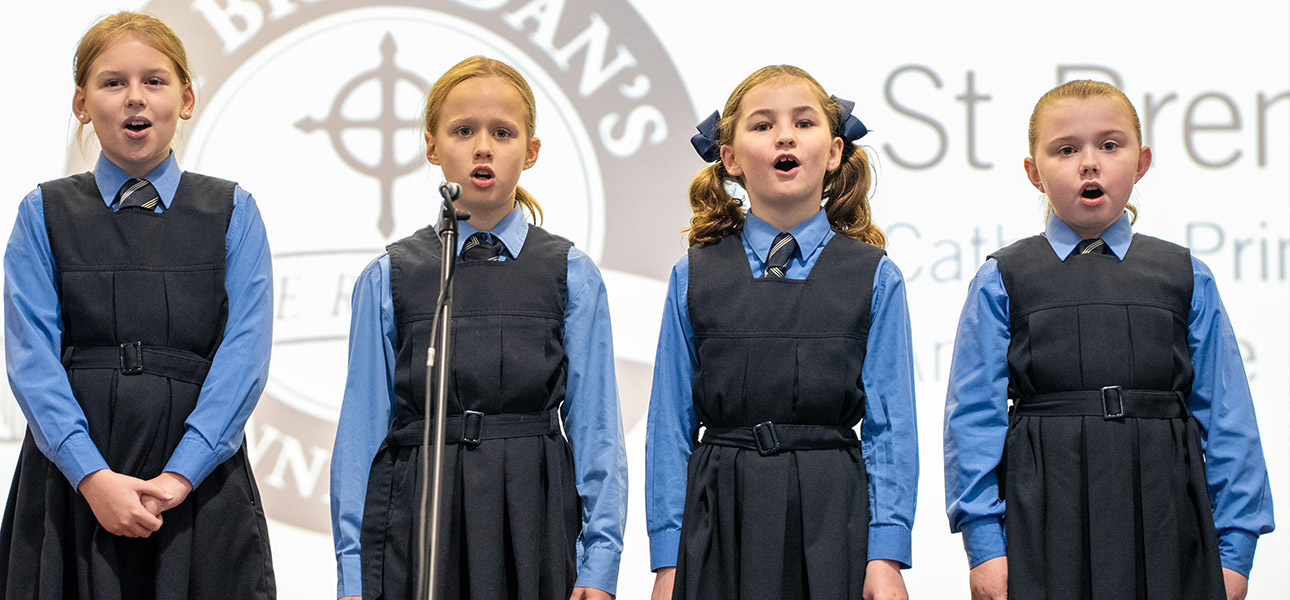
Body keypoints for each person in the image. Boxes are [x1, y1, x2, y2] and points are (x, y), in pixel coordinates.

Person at [943, 79, 1275, 600]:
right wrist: (984, 545)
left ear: (1141, 163)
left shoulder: (1186, 275)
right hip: (1044, 522)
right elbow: (973, 419)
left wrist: (1235, 551)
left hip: (1167, 520)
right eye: (1066, 149)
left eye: (1109, 145)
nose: (1089, 163)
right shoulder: (1002, 278)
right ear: (1033, 172)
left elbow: (1229, 418)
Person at [0, 11, 277, 600]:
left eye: (154, 80)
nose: (135, 98)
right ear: (81, 104)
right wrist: (92, 477)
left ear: (186, 98)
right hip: (73, 485)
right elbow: (32, 360)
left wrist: (180, 475)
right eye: (112, 82)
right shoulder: (43, 212)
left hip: (199, 483)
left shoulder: (232, 210)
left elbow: (244, 356)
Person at [329, 56, 627, 600]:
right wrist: (354, 574)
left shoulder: (571, 274)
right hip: (418, 519)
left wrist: (600, 563)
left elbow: (597, 430)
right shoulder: (390, 275)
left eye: (502, 133)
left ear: (531, 151)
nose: (483, 148)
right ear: (432, 146)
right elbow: (360, 433)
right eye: (463, 131)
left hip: (532, 516)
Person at [645, 65, 917, 600]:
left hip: (832, 518)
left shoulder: (876, 276)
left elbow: (891, 429)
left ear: (834, 151)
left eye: (803, 122)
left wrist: (885, 554)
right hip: (720, 518)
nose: (785, 136)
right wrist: (668, 558)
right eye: (763, 125)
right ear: (730, 158)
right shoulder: (692, 275)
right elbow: (669, 426)